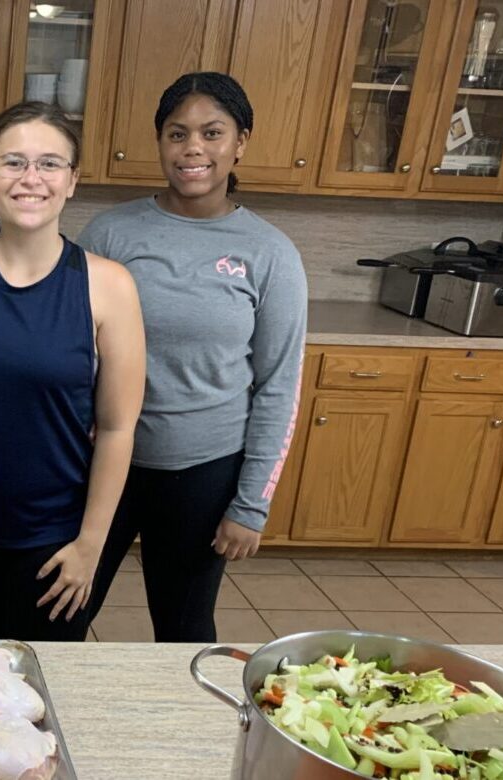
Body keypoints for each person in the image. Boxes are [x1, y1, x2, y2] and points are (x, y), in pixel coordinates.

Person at [79, 72, 308, 642]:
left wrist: (250, 504)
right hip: (105, 463)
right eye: (177, 134)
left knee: (183, 629)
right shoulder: (110, 234)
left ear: (241, 142)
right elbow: (72, 356)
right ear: (160, 142)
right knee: (63, 608)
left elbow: (279, 385)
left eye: (212, 132)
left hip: (204, 474)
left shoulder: (269, 253)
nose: (193, 149)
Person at [0, 102, 146, 642]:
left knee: (30, 709)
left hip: (51, 546)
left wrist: (91, 546)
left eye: (49, 164)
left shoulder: (108, 285)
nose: (31, 179)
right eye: (14, 162)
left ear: (72, 181)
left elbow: (117, 429)